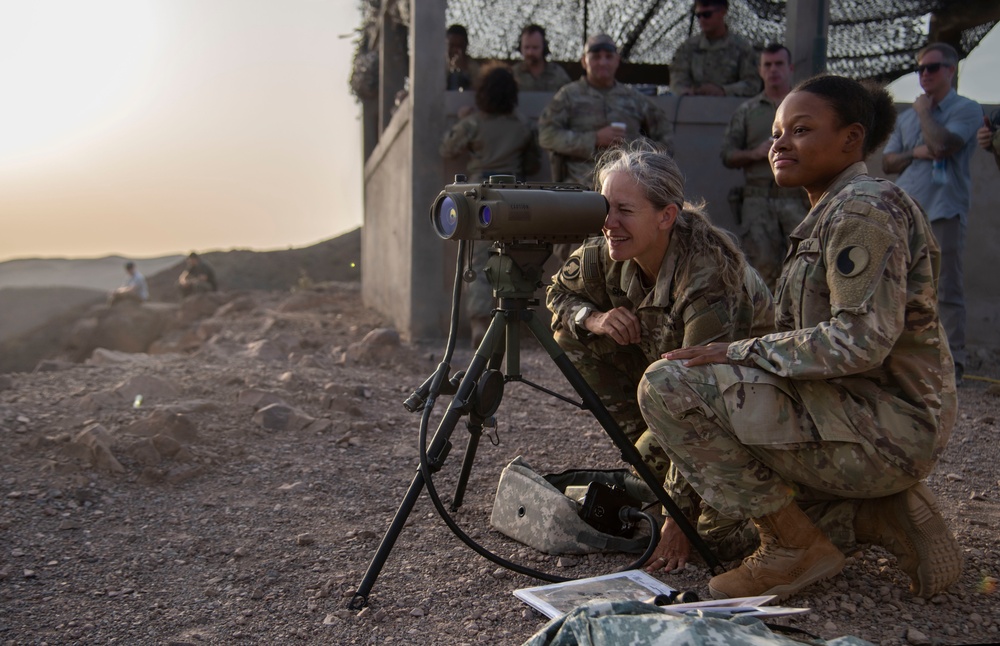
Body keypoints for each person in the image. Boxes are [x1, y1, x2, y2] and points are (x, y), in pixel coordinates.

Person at [637, 75, 962, 601]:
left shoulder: (864, 209)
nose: (779, 144)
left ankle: (797, 547)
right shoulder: (829, 212)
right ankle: (875, 513)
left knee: (668, 386)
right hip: (852, 417)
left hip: (885, 425)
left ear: (852, 138)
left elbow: (858, 342)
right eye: (775, 133)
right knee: (720, 529)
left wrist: (734, 352)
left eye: (801, 130)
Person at [546, 140, 773, 559]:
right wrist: (594, 319)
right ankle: (648, 469)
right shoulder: (608, 251)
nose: (609, 223)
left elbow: (704, 400)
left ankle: (836, 517)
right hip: (673, 394)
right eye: (605, 208)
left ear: (667, 216)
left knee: (712, 543)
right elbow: (557, 294)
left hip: (747, 413)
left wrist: (676, 516)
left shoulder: (708, 275)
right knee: (571, 340)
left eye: (625, 211)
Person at [882, 43, 982, 383]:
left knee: (946, 288)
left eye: (933, 67)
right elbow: (888, 162)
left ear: (951, 71)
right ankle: (907, 363)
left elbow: (943, 145)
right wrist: (916, 152)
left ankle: (953, 365)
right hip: (907, 210)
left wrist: (925, 112)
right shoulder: (907, 117)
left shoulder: (966, 109)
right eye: (920, 69)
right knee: (901, 286)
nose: (924, 74)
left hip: (945, 210)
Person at [440, 63, 542, 346]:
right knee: (513, 260)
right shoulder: (522, 125)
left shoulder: (474, 123)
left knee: (479, 261)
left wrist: (462, 119)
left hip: (479, 197)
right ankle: (511, 325)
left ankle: (479, 324)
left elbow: (446, 147)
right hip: (515, 198)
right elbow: (534, 163)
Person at [721, 44, 809, 289]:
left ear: (790, 68)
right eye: (767, 65)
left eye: (779, 64)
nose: (773, 70)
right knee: (761, 272)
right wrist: (754, 153)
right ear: (760, 70)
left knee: (805, 265)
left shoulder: (806, 109)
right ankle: (766, 325)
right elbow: (727, 155)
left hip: (797, 198)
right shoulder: (747, 112)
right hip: (758, 201)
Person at [538, 33, 674, 188]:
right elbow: (546, 135)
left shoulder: (635, 99)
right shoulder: (568, 96)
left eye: (608, 57)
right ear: (584, 61)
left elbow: (665, 138)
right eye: (595, 57)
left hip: (629, 190)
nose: (602, 62)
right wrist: (593, 139)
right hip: (580, 190)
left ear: (617, 61)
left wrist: (637, 154)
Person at [669, 0, 761, 97]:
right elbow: (677, 79)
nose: (702, 20)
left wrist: (724, 91)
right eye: (698, 16)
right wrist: (687, 92)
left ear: (722, 12)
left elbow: (752, 84)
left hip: (731, 107)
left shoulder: (742, 48)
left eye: (707, 14)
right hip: (694, 105)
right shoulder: (688, 48)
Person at [511, 24, 571, 92]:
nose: (530, 52)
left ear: (544, 47)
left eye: (535, 48)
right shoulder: (513, 75)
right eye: (526, 47)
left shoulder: (558, 75)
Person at [446, 24, 480, 91]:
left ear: (465, 46)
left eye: (459, 46)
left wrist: (464, 72)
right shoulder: (439, 67)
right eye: (452, 46)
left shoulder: (474, 68)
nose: (455, 50)